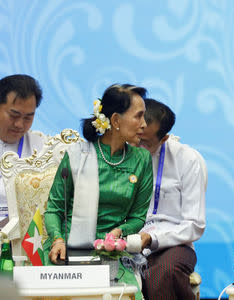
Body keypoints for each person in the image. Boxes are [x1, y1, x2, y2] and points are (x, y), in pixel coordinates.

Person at [44, 84, 153, 298]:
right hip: (70, 248)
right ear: (115, 120)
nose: (144, 124)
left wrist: (118, 233)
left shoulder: (141, 160)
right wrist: (58, 240)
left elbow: (138, 217)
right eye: (138, 116)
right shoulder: (78, 156)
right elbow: (54, 209)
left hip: (112, 252)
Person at [138, 98, 206, 300]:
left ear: (164, 138)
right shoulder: (120, 153)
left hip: (172, 244)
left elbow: (195, 225)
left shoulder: (187, 160)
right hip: (125, 241)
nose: (138, 147)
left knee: (163, 273)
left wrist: (153, 239)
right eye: (137, 139)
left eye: (146, 143)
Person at [0, 74, 45, 229]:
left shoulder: (43, 148)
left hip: (25, 234)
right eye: (14, 115)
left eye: (28, 118)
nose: (20, 125)